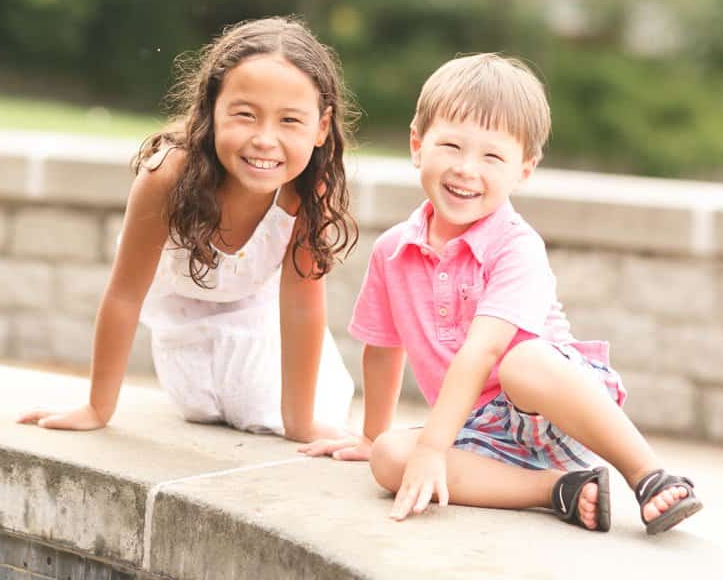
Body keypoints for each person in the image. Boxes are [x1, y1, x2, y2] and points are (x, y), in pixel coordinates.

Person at [301, 53, 702, 534]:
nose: (466, 169)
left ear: (523, 170)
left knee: (520, 361)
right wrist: (371, 434)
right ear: (416, 145)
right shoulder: (393, 251)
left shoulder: (515, 245)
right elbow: (384, 348)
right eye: (451, 146)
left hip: (552, 410)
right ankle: (560, 489)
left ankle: (648, 475)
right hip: (482, 435)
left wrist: (432, 446)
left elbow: (485, 347)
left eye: (492, 157)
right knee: (389, 458)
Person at [18, 17, 357, 441]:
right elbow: (125, 295)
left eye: (290, 121)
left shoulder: (306, 188)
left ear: (321, 127)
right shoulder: (169, 176)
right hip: (185, 319)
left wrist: (301, 423)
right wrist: (97, 407)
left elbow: (302, 307)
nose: (265, 140)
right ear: (211, 109)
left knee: (312, 409)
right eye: (245, 115)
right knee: (237, 403)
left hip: (257, 309)